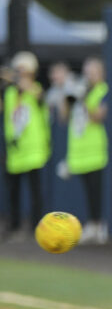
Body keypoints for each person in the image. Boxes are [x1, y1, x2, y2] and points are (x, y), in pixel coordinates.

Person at [3, 51, 51, 238]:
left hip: (34, 150)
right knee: (13, 191)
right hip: (15, 149)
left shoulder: (36, 89)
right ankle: (14, 225)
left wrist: (25, 85)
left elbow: (40, 98)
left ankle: (36, 227)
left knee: (35, 191)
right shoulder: (10, 93)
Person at [64, 57, 109, 244]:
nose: (89, 76)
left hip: (95, 150)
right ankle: (91, 224)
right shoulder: (81, 89)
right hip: (78, 152)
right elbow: (64, 117)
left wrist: (84, 100)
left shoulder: (103, 90)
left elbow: (98, 116)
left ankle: (101, 225)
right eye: (87, 72)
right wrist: (67, 95)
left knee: (97, 189)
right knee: (87, 191)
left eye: (92, 72)